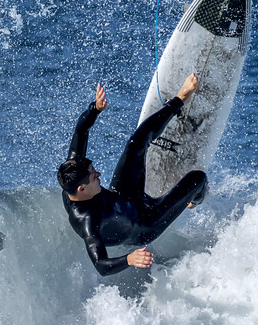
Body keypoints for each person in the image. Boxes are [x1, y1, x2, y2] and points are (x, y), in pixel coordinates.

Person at [59, 76, 209, 275]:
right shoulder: (87, 221)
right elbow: (101, 265)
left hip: (124, 196)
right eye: (94, 176)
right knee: (198, 179)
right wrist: (129, 259)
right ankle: (193, 201)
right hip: (146, 223)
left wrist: (94, 108)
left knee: (136, 142)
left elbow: (81, 129)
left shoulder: (74, 167)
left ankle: (180, 99)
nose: (99, 174)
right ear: (82, 189)